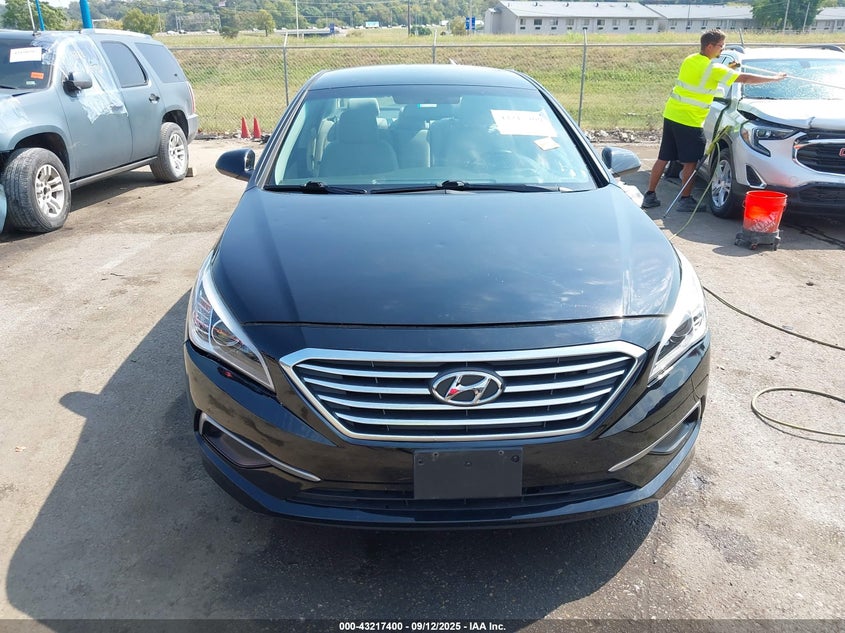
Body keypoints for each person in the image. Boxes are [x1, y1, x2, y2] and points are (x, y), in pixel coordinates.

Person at [641, 29, 787, 212]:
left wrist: (731, 66)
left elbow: (713, 71)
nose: (722, 49)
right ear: (710, 46)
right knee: (690, 162)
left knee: (663, 157)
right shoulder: (714, 69)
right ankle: (685, 200)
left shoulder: (691, 59)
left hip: (672, 115)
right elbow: (745, 78)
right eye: (721, 46)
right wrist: (774, 78)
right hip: (690, 121)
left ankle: (650, 195)